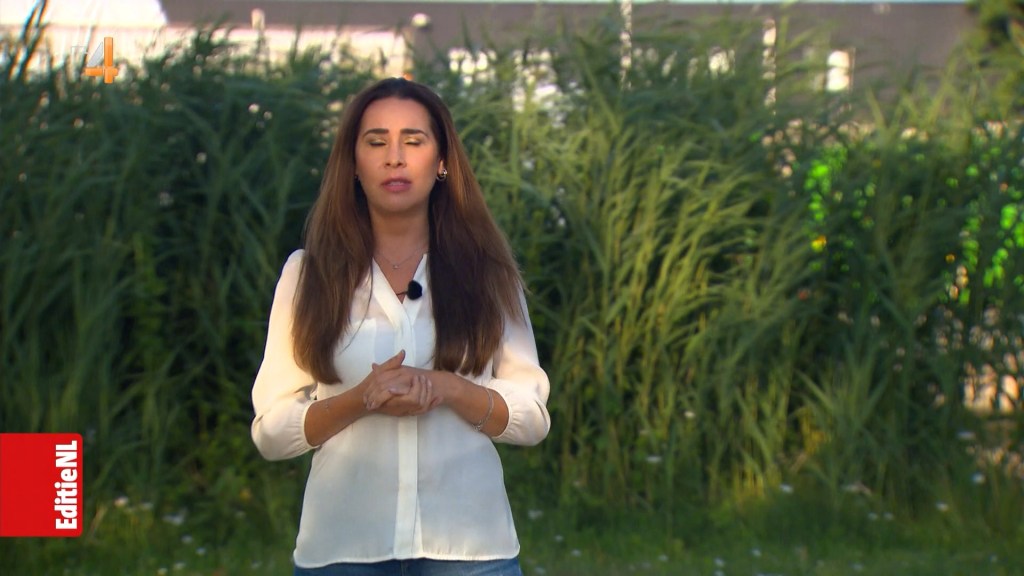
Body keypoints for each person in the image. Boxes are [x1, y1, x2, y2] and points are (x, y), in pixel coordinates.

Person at [250, 77, 551, 576]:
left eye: (413, 141)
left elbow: (532, 419)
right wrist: (360, 399)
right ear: (353, 164)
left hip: (469, 550)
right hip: (344, 550)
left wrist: (448, 388)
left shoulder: (487, 271)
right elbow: (272, 433)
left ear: (441, 161)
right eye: (376, 142)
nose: (394, 158)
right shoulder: (308, 274)